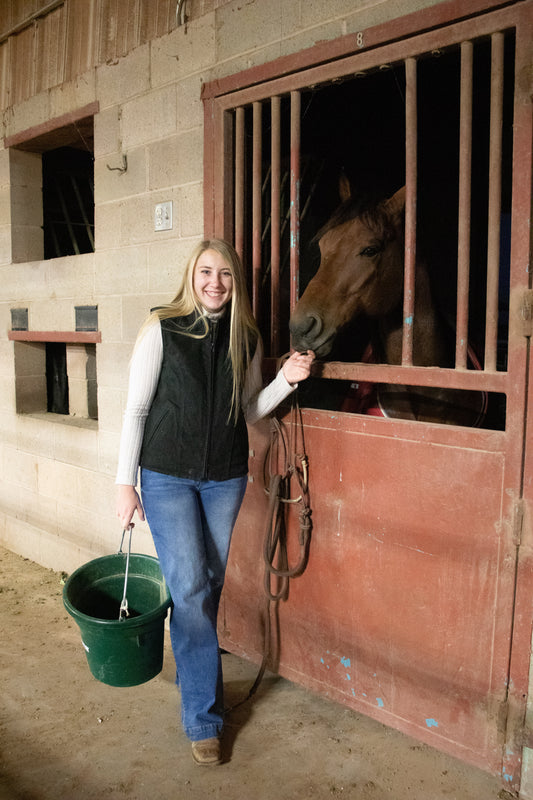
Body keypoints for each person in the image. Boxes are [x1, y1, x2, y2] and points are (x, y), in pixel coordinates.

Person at [115, 238, 314, 766]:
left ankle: (191, 662)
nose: (215, 283)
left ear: (235, 282)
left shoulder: (244, 337)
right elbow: (136, 411)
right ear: (191, 276)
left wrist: (284, 381)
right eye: (206, 272)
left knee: (206, 587)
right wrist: (123, 483)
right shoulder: (162, 327)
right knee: (191, 586)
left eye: (225, 274)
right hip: (167, 477)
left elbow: (250, 409)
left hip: (225, 478)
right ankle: (204, 718)